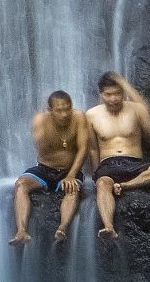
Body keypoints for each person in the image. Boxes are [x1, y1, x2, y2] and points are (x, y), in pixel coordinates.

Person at [85, 71, 150, 238]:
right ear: (101, 95)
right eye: (109, 94)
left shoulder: (137, 109)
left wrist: (124, 83)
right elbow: (92, 148)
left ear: (123, 92)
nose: (114, 98)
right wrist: (95, 174)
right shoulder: (91, 115)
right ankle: (108, 227)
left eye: (118, 93)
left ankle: (127, 186)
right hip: (108, 164)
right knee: (103, 184)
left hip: (135, 163)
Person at [9, 89, 90, 246]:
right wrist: (44, 124)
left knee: (72, 189)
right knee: (20, 185)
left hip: (69, 170)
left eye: (67, 109)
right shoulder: (41, 121)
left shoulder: (79, 117)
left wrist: (72, 175)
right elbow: (41, 147)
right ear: (50, 111)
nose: (65, 114)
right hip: (44, 169)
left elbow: (83, 149)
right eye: (59, 110)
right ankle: (21, 231)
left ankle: (62, 228)